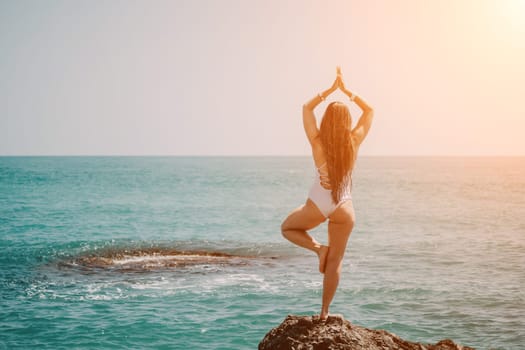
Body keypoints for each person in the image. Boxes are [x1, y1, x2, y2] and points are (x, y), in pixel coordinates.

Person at [281, 67, 374, 320]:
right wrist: (347, 92)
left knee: (287, 228)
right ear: (346, 122)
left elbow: (306, 109)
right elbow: (369, 112)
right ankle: (324, 313)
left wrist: (330, 91)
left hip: (318, 203)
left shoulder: (318, 142)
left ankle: (318, 249)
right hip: (344, 207)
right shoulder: (353, 142)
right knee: (337, 260)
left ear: (327, 120)